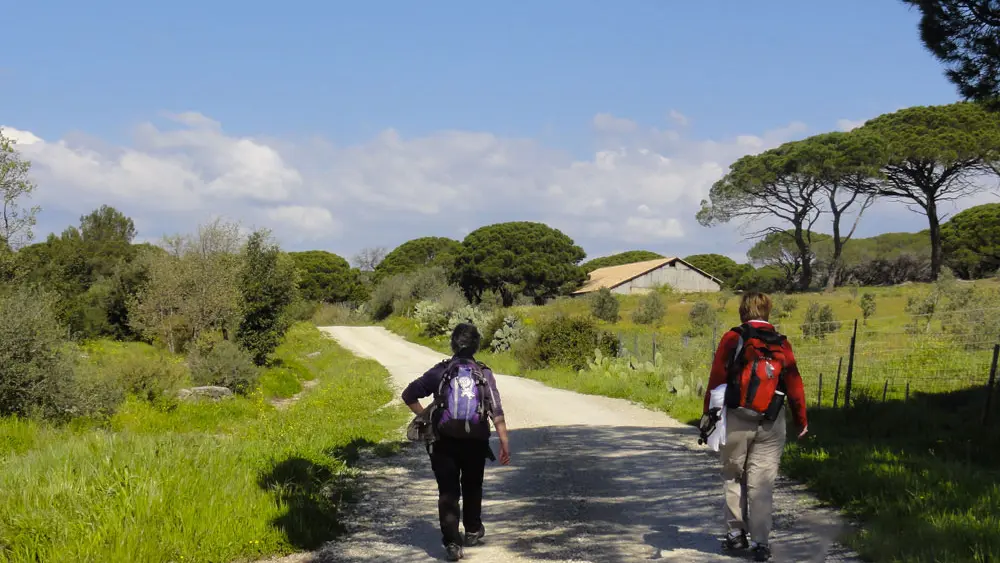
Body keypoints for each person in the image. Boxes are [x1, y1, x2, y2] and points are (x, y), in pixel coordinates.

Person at [703, 292, 808, 561]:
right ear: (768, 311)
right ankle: (760, 542)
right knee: (762, 483)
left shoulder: (733, 337)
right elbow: (795, 385)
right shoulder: (781, 343)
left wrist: (708, 416)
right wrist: (801, 421)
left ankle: (736, 535)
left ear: (743, 311)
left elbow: (717, 379)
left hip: (737, 417)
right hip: (772, 420)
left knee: (733, 475)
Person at [402, 322, 511, 561]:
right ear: (476, 345)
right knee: (472, 486)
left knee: (448, 491)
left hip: (443, 441)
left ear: (453, 343)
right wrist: (504, 442)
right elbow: (496, 411)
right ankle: (472, 530)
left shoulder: (440, 371)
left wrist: (425, 418)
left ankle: (452, 543)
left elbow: (408, 394)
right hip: (476, 441)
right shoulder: (484, 373)